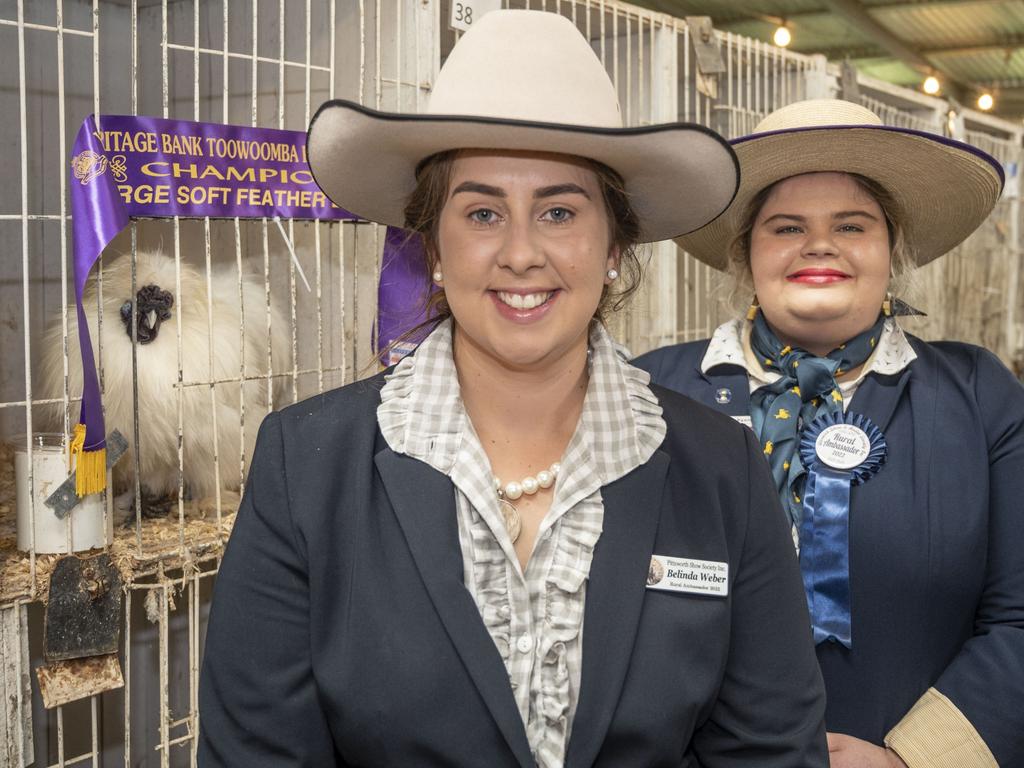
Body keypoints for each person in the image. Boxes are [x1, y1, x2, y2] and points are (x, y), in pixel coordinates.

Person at [198, 11, 828, 767]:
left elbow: (771, 749)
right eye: (483, 212)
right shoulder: (306, 466)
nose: (522, 253)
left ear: (614, 247)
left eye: (559, 211)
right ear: (433, 247)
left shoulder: (719, 467)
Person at [635, 98, 1023, 768]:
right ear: (745, 253)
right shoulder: (647, 394)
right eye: (787, 227)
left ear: (891, 250)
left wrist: (916, 758)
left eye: (852, 224)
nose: (820, 245)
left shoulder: (980, 397)